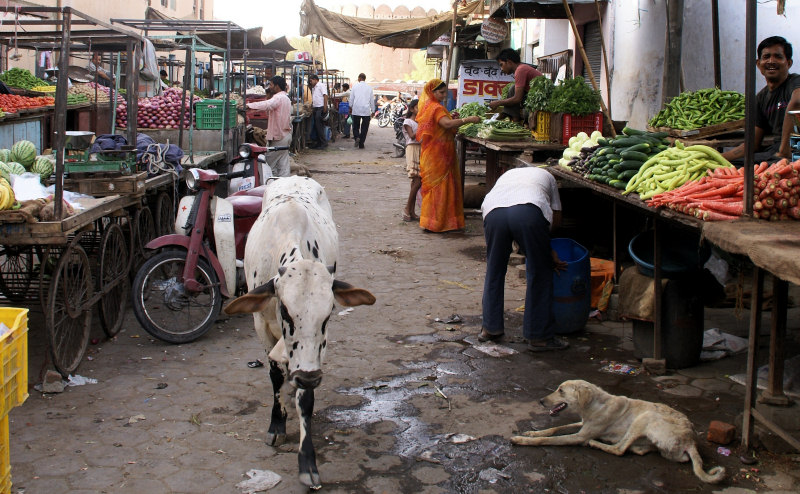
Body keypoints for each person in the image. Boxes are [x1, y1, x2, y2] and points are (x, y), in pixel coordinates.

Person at [479, 166, 569, 352]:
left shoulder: (508, 174)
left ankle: (490, 328)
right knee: (540, 271)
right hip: (528, 212)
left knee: (495, 270)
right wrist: (547, 248)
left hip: (493, 212)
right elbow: (556, 217)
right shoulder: (549, 177)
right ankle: (539, 336)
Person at [415, 79, 481, 232]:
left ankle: (432, 222)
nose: (445, 95)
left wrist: (454, 118)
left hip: (434, 153)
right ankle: (439, 223)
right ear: (432, 93)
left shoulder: (428, 107)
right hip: (439, 155)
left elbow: (443, 124)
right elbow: (446, 125)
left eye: (445, 92)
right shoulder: (436, 108)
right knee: (440, 187)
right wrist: (467, 119)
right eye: (441, 92)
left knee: (437, 188)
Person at [721, 36, 800, 163]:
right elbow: (752, 144)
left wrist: (784, 151)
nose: (771, 61)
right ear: (758, 64)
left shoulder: (795, 82)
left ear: (789, 63)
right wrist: (717, 159)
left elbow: (797, 103)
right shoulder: (761, 98)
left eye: (778, 57)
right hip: (775, 152)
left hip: (795, 152)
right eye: (766, 57)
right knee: (732, 167)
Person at [246, 75, 293, 177]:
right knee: (283, 164)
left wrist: (249, 106)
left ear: (277, 86)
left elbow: (267, 104)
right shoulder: (286, 98)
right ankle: (282, 184)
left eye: (271, 85)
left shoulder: (278, 98)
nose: (269, 87)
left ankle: (271, 184)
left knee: (269, 164)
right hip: (285, 135)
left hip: (279, 137)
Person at [488, 48, 542, 122]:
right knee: (513, 88)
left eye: (501, 65)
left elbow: (517, 98)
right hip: (532, 97)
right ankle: (513, 118)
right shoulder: (521, 68)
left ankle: (514, 119)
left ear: (509, 62)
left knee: (514, 92)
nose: (501, 69)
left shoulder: (520, 70)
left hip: (539, 101)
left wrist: (498, 102)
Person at [402, 99, 420, 222]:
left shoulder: (420, 122)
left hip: (420, 149)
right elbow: (412, 136)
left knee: (415, 182)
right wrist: (424, 127)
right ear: (412, 109)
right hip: (412, 149)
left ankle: (411, 211)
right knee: (418, 180)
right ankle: (407, 208)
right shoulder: (408, 121)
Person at [349, 73, 375, 149]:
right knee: (364, 128)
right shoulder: (369, 88)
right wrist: (373, 111)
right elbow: (371, 100)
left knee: (355, 126)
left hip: (356, 109)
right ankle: (361, 144)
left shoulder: (354, 86)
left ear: (359, 78)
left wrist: (350, 106)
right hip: (366, 110)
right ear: (364, 78)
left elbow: (351, 98)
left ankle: (357, 136)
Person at [308, 74, 329, 149]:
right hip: (316, 108)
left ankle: (323, 143)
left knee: (319, 126)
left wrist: (325, 107)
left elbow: (325, 96)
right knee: (316, 127)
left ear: (315, 79)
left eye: (311, 81)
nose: (310, 82)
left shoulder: (321, 85)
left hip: (320, 108)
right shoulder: (314, 88)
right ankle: (318, 142)